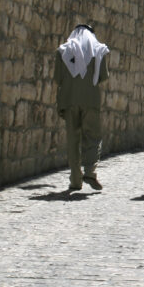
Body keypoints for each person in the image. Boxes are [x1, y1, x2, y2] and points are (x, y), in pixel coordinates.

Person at [54, 24, 109, 191]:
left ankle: (76, 180)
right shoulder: (98, 51)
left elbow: (58, 78)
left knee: (73, 139)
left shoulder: (62, 52)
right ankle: (90, 171)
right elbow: (103, 76)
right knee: (92, 136)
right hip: (91, 101)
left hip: (69, 100)